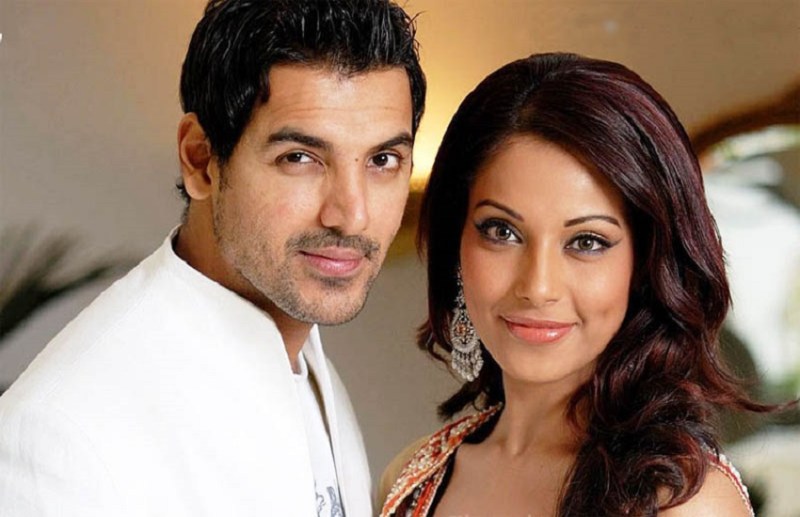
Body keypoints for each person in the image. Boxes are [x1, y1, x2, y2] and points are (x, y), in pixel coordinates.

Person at [0, 0, 425, 515]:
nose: (351, 216)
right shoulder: (59, 439)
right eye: (299, 158)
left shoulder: (312, 369)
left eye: (383, 160)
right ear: (200, 160)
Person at [379, 53, 773, 516]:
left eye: (587, 242)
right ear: (456, 244)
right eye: (502, 231)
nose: (538, 286)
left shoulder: (683, 502)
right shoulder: (412, 478)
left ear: (645, 264)